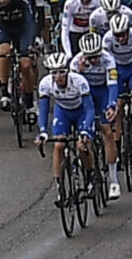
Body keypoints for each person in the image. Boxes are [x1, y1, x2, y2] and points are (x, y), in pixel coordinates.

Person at [69, 32, 121, 197]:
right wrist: (80, 71)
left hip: (103, 91)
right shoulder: (76, 62)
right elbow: (72, 89)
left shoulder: (108, 59)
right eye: (89, 57)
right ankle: (90, 172)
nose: (93, 60)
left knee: (107, 131)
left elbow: (113, 85)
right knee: (85, 138)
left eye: (95, 56)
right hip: (86, 95)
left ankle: (114, 181)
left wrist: (112, 105)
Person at [36, 51, 95, 194]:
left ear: (68, 71)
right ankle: (59, 185)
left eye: (62, 72)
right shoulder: (45, 84)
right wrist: (43, 132)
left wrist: (85, 130)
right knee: (58, 145)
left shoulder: (79, 81)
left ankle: (90, 177)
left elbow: (89, 110)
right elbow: (43, 111)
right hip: (63, 112)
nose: (58, 76)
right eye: (54, 73)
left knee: (82, 145)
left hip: (81, 112)